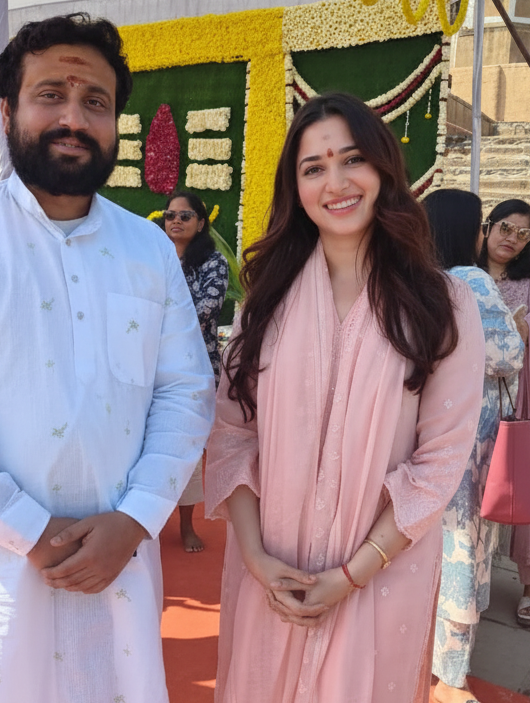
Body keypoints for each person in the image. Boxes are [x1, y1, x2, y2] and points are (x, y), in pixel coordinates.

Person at [0, 14, 215, 703]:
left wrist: (138, 516)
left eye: (95, 102)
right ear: (6, 110)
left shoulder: (148, 251)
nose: (73, 117)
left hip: (119, 574)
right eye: (50, 94)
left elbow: (185, 389)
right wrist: (26, 529)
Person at [204, 93, 485, 703]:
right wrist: (254, 556)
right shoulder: (266, 300)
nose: (336, 182)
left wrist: (349, 577)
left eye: (351, 159)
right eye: (313, 167)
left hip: (381, 577)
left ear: (383, 168)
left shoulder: (442, 304)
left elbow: (440, 463)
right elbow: (232, 434)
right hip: (269, 575)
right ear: (295, 186)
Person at [424, 189, 525, 703]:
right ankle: (451, 675)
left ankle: (421, 651)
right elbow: (506, 357)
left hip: (425, 432)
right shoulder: (472, 282)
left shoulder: (414, 280)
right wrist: (518, 329)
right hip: (469, 434)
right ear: (471, 231)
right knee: (463, 544)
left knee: (425, 543)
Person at [479, 199, 530, 628]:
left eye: (523, 233)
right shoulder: (465, 272)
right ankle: (472, 572)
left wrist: (524, 328)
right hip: (471, 398)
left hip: (517, 399)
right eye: (505, 228)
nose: (511, 238)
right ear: (488, 226)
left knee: (527, 481)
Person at [162, 191, 228, 553]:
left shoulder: (214, 263)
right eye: (171, 215)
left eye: (185, 216)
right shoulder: (153, 257)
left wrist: (157, 319)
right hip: (151, 368)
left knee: (186, 446)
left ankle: (187, 527)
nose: (175, 221)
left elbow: (205, 311)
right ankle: (148, 522)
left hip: (193, 369)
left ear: (201, 223)